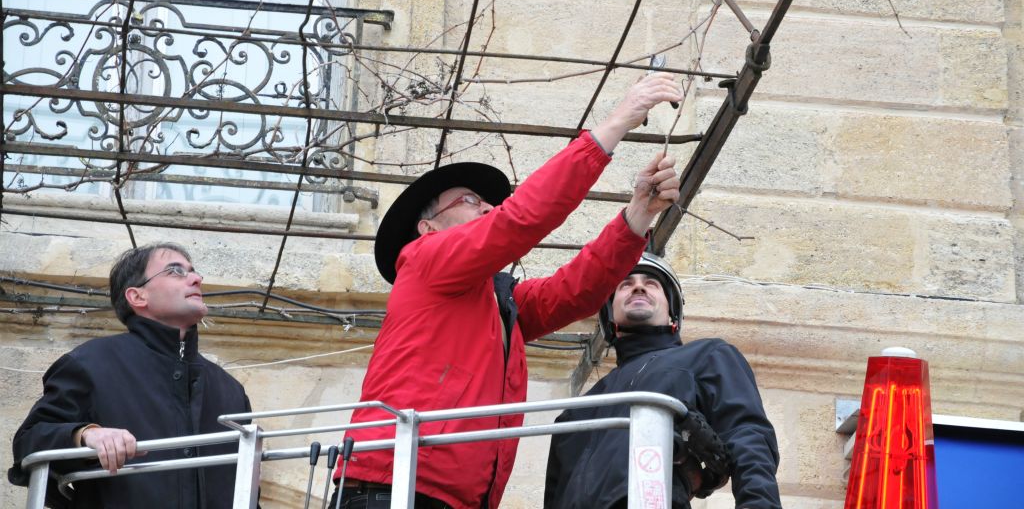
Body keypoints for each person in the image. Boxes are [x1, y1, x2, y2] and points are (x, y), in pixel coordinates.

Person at [331, 74, 684, 509]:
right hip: (396, 489)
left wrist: (638, 213)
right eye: (468, 200)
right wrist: (613, 126)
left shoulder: (499, 304)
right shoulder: (424, 258)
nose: (488, 206)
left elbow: (575, 291)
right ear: (428, 228)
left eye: (488, 202)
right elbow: (519, 220)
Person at [8, 243, 253, 509]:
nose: (196, 279)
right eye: (175, 271)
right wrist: (85, 435)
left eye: (194, 272)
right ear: (137, 297)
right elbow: (29, 442)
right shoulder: (91, 364)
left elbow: (249, 488)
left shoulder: (230, 390)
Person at [544, 252, 782, 509]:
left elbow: (747, 435)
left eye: (651, 284)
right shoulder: (579, 411)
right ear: (609, 319)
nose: (637, 286)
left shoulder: (706, 356)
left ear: (672, 315)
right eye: (625, 284)